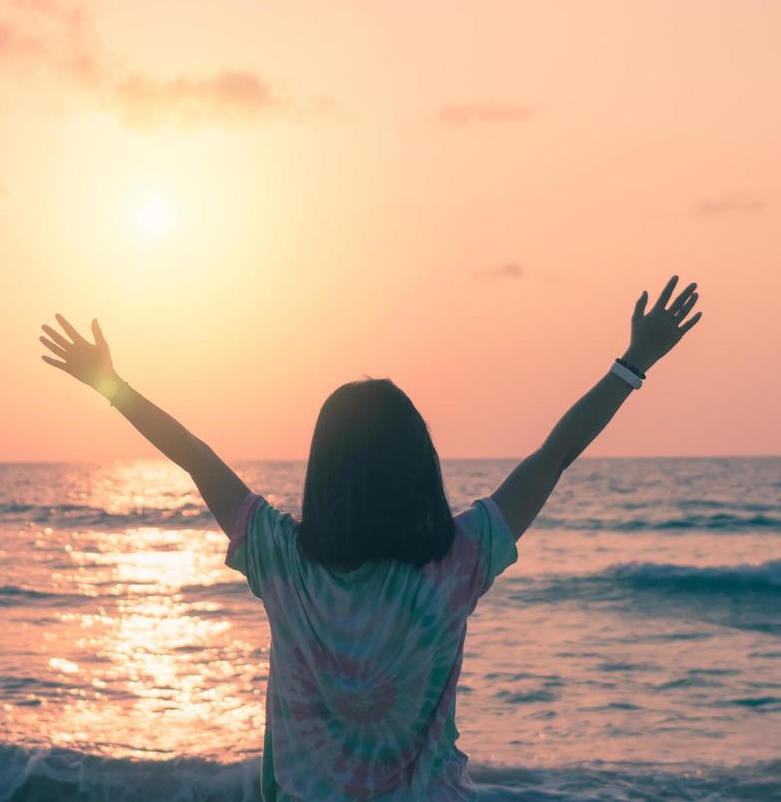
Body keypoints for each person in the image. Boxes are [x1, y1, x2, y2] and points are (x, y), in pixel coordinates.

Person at [38, 275, 702, 800]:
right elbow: (555, 455)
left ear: (324, 473)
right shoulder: (458, 561)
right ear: (419, 467)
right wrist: (632, 364)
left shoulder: (279, 559)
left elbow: (196, 457)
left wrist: (112, 386)